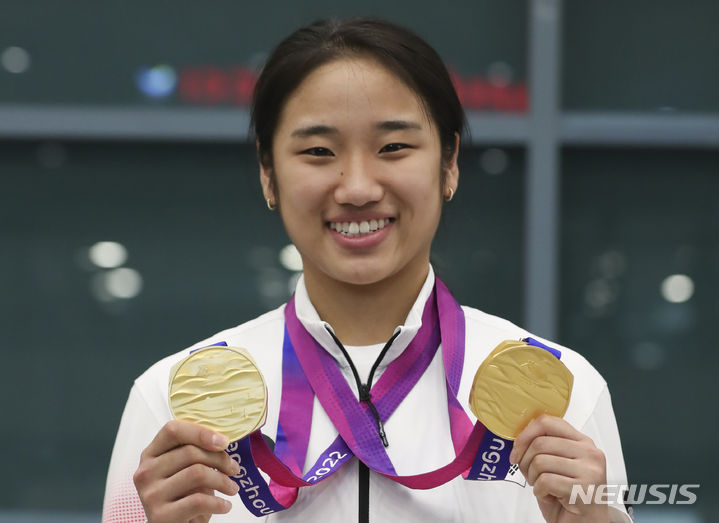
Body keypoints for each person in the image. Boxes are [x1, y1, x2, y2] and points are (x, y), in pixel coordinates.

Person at [102, 17, 631, 523]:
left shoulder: (565, 393)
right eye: (318, 150)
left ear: (449, 163)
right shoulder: (173, 402)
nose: (356, 188)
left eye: (393, 147)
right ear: (269, 174)